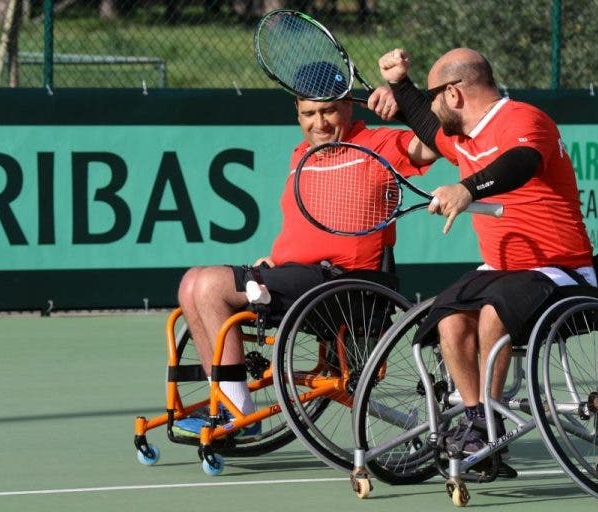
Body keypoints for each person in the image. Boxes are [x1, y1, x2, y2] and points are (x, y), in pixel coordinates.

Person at [172, 63, 436, 438]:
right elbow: (303, 229)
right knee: (191, 284)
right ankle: (229, 403)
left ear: (348, 106)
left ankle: (237, 415)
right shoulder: (300, 156)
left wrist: (407, 103)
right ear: (297, 114)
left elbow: (435, 144)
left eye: (328, 111)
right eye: (308, 114)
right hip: (298, 278)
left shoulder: (377, 146)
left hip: (344, 286)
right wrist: (275, 261)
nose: (319, 123)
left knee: (210, 285)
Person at [377, 47, 597, 477]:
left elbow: (522, 163)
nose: (432, 103)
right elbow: (425, 120)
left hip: (561, 270)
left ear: (454, 94)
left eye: (433, 93)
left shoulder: (523, 119)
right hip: (501, 270)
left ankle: (487, 422)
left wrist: (468, 188)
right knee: (451, 319)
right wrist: (399, 84)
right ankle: (478, 424)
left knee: (494, 310)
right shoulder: (462, 137)